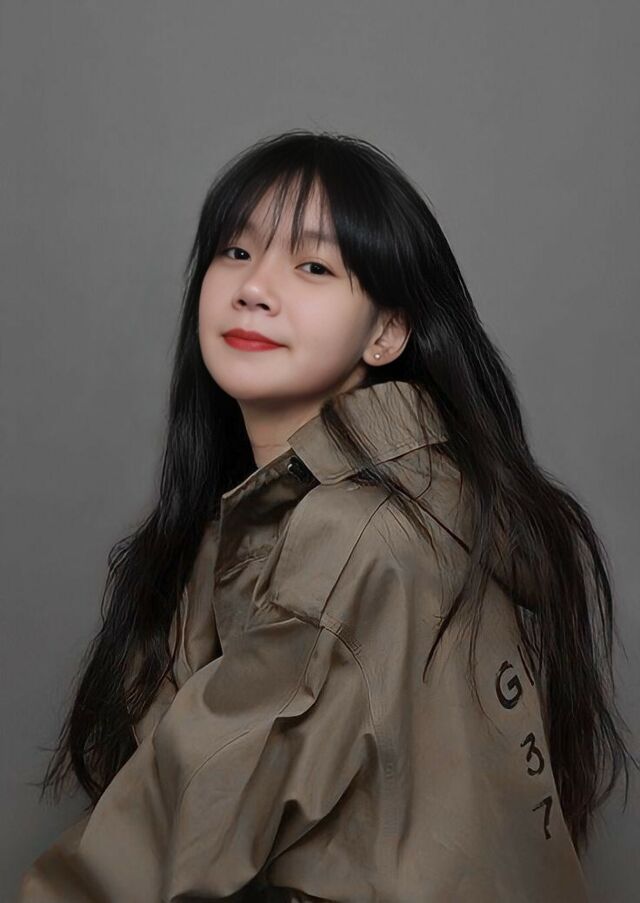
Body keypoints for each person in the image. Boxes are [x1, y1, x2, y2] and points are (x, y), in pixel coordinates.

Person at [17, 130, 635, 902]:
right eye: (235, 252)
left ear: (386, 331)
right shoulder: (401, 503)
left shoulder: (358, 535)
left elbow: (184, 820)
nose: (254, 287)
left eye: (312, 266)